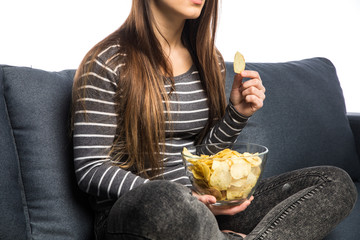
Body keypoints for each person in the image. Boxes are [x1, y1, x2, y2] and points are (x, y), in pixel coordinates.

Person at [71, 0, 357, 239]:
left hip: (208, 206)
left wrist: (237, 114)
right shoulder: (108, 61)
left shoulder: (209, 59)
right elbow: (91, 168)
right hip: (141, 211)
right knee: (164, 200)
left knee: (334, 182)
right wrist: (185, 197)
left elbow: (200, 160)